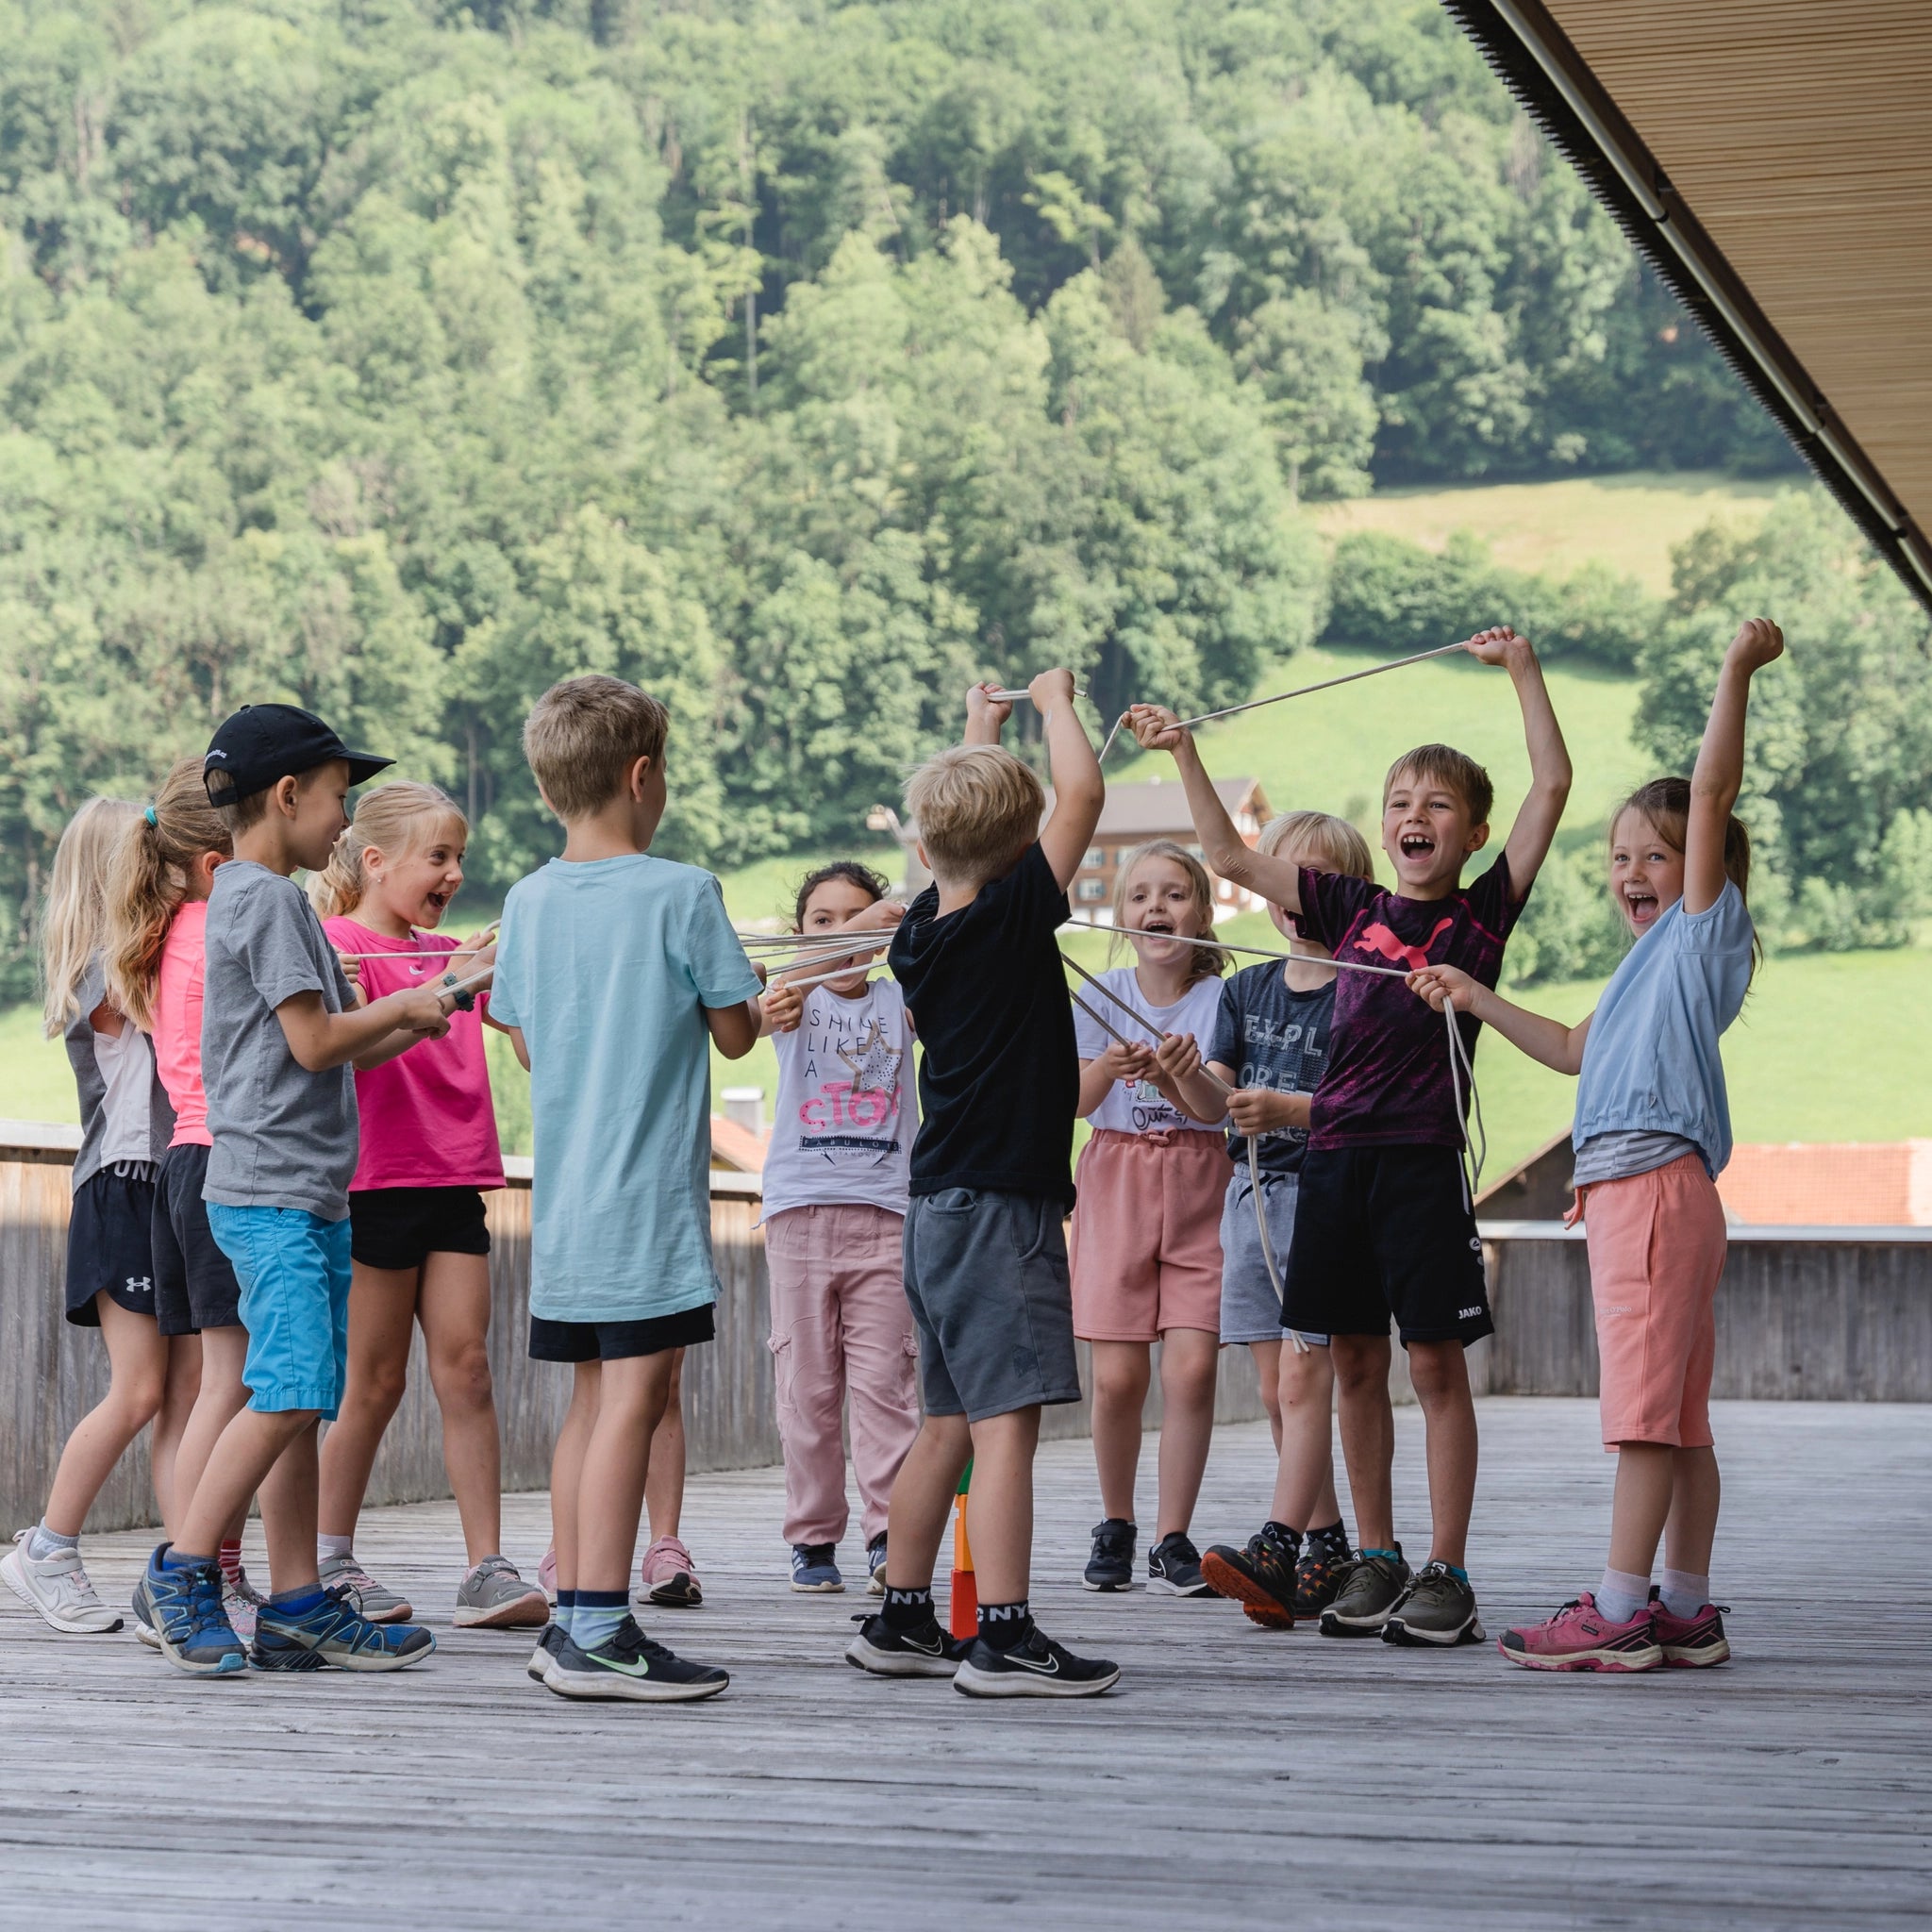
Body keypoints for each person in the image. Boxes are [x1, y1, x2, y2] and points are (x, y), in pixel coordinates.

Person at [1130, 624, 1571, 1648]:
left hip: (1417, 1167)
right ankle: (1373, 1554)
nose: (1413, 816)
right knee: (1354, 1365)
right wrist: (1186, 752)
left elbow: (1550, 785)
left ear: (1468, 835)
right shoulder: (1353, 904)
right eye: (1399, 802)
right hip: (1331, 1169)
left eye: (1437, 805)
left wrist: (1520, 671)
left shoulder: (1479, 917)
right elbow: (1232, 854)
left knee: (1432, 1367)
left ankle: (1446, 1568)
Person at [1412, 618, 1783, 1672]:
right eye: (1619, 855)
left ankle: (1620, 1607)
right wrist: (1474, 992)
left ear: (1701, 867)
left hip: (1653, 1193)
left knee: (1642, 1419)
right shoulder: (1638, 974)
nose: (1632, 870)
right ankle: (1683, 1605)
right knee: (1678, 1415)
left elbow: (1708, 792)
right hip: (1645, 1196)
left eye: (1654, 855)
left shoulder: (1699, 932)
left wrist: (1730, 670)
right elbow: (1574, 1049)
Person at [140, 704, 455, 1677]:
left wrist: (446, 993)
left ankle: (296, 1603)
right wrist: (403, 1005)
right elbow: (315, 1041)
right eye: (337, 799)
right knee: (288, 1388)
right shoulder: (271, 901)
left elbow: (338, 1046)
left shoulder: (259, 898)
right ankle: (182, 1569)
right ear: (287, 795)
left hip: (303, 1190)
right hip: (271, 1192)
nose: (343, 821)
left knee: (301, 1394)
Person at [491, 674, 763, 1703]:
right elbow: (735, 1027)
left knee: (590, 1401)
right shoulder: (683, 891)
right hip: (645, 1202)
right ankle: (601, 1626)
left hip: (566, 1208)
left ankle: (570, 1614)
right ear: (643, 775)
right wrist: (747, 1005)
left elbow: (519, 1038)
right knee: (636, 1404)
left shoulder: (524, 899)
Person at [845, 671, 1118, 1699]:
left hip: (932, 1208)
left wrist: (980, 729)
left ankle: (900, 1616)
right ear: (1017, 847)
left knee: (949, 1422)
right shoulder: (1010, 917)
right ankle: (1001, 1633)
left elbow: (966, 827)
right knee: (1005, 1424)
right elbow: (1080, 796)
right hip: (1000, 1208)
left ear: (924, 848)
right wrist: (1054, 702)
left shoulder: (918, 930)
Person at [311, 780, 546, 1630]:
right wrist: (447, 981)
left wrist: (520, 969)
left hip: (452, 1184)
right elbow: (341, 1049)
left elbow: (530, 1045)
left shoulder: (453, 951)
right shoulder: (337, 945)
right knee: (371, 1383)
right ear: (375, 862)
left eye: (460, 859)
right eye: (436, 857)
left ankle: (486, 1565)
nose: (451, 874)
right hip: (371, 1187)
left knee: (469, 1369)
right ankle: (329, 1556)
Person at [1169, 810, 1376, 1628]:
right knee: (1270, 1387)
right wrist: (1179, 1077)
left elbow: (1366, 1110)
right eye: (1282, 876)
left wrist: (1290, 1109)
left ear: (1350, 896)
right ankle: (1325, 1546)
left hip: (1325, 1198)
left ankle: (1287, 1543)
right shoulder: (1244, 989)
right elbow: (1210, 1100)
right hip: (1248, 1199)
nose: (1297, 896)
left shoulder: (1365, 988)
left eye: (1318, 879)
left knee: (1303, 1379)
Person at [2, 799, 192, 1636]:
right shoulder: (106, 972)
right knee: (142, 1388)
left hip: (171, 1185)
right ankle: (47, 1547)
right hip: (122, 1186)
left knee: (186, 1394)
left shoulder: (136, 958)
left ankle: (192, 1565)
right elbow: (159, 1005)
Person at [108, 759, 271, 1644]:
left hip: (187, 1163)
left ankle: (191, 1568)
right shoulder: (220, 926)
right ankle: (186, 1571)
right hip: (225, 1165)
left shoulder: (178, 929)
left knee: (224, 1383)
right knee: (234, 1386)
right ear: (218, 862)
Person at [1069, 841, 1230, 1598]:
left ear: (1202, 911)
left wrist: (1178, 1072)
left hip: (1202, 1178)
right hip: (1117, 1177)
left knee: (1193, 1369)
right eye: (1139, 895)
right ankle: (1117, 1522)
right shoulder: (1096, 991)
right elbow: (1073, 1099)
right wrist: (1112, 1065)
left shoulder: (1224, 1000)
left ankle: (1173, 1535)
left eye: (1174, 894)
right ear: (1121, 914)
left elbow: (1217, 1110)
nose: (1156, 907)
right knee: (1118, 1379)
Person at [757, 862, 920, 1595]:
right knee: (807, 1389)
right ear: (801, 936)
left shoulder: (902, 997)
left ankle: (891, 1531)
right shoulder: (790, 998)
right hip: (799, 1214)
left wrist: (899, 925)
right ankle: (814, 1537)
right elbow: (772, 996)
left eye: (857, 917)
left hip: (888, 1213)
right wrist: (861, 924)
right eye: (822, 920)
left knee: (888, 1385)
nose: (840, 934)